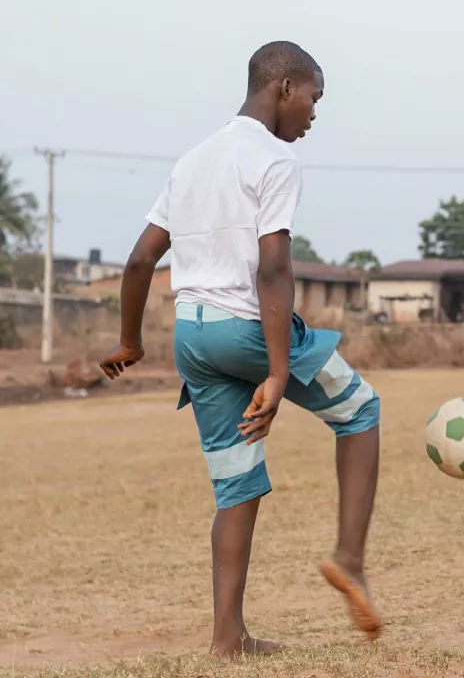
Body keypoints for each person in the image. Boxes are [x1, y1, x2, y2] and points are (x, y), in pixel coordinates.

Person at [99, 41, 382, 657]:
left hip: (193, 338)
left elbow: (142, 257)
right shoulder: (273, 160)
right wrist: (279, 372)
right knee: (360, 411)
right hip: (247, 329)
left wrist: (129, 340)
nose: (313, 112)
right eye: (314, 97)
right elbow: (274, 268)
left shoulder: (192, 161)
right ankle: (350, 560)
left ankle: (228, 637)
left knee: (237, 483)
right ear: (284, 88)